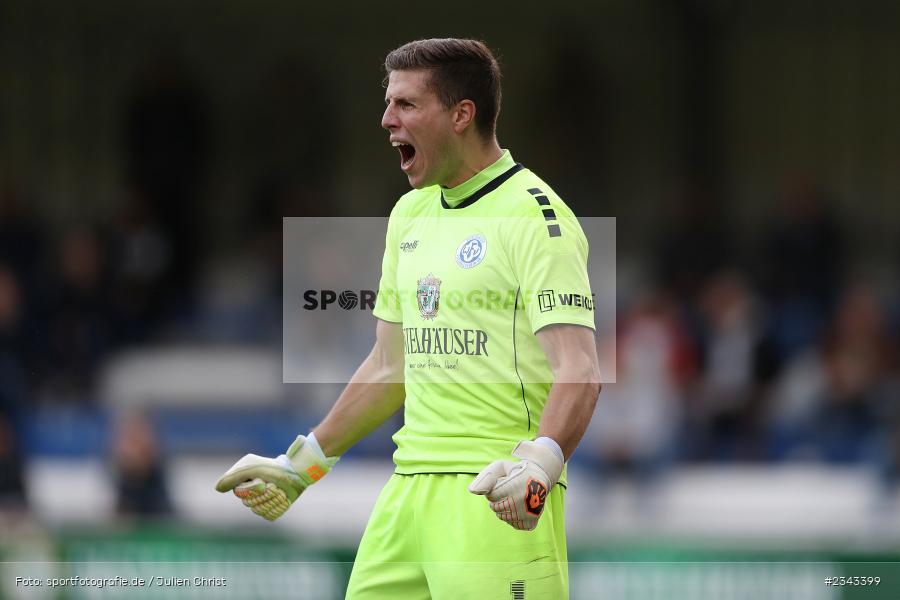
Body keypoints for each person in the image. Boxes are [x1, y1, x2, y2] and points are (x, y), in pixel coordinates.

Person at [217, 38, 601, 599]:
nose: (386, 119)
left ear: (461, 115)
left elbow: (580, 368)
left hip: (495, 497)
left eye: (405, 105)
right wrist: (303, 464)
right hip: (406, 498)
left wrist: (540, 466)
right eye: (388, 103)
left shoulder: (537, 218)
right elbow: (388, 365)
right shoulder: (410, 213)